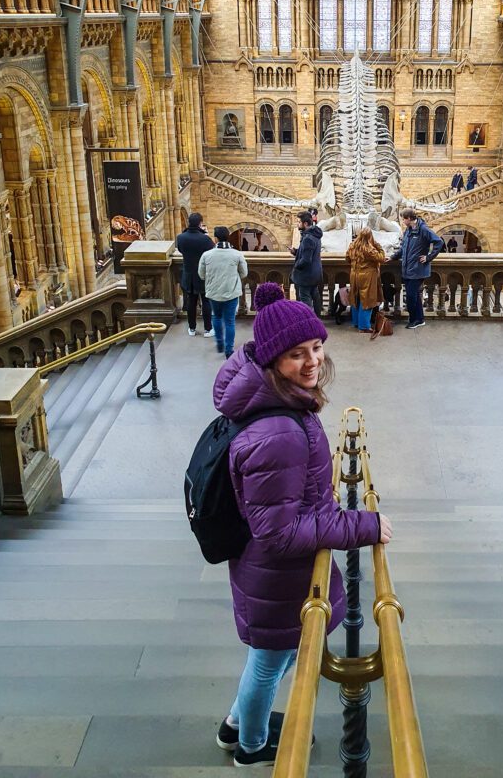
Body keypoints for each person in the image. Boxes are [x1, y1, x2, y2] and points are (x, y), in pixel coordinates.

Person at [212, 283, 391, 767]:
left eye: (316, 347)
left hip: (269, 576)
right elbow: (280, 532)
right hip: (276, 576)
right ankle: (250, 747)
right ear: (272, 361)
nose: (312, 361)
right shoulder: (279, 432)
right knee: (269, 665)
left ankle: (236, 725)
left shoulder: (276, 402)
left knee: (273, 660)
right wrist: (362, 526)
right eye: (296, 354)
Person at [198, 226, 248, 358]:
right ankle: (228, 349)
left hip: (214, 292)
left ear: (215, 238)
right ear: (228, 237)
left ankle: (219, 343)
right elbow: (244, 273)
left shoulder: (206, 255)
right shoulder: (237, 254)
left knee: (216, 316)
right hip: (231, 292)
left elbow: (201, 274)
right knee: (230, 321)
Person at [390, 208, 442, 329]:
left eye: (403, 219)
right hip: (408, 269)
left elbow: (438, 242)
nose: (402, 221)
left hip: (417, 270)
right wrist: (393, 257)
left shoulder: (423, 229)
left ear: (409, 218)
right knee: (414, 296)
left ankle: (413, 320)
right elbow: (403, 249)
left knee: (411, 297)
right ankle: (420, 319)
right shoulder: (408, 230)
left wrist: (429, 257)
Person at [176, 212, 214, 337]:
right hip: (203, 275)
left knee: (191, 302)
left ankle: (192, 328)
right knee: (206, 302)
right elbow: (211, 253)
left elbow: (181, 250)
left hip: (188, 274)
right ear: (200, 223)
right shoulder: (205, 239)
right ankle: (208, 329)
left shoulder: (181, 238)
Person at [346, 227, 387, 333]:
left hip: (354, 275)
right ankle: (364, 326)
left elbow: (347, 259)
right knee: (367, 300)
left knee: (356, 298)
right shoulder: (369, 248)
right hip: (367, 277)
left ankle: (356, 322)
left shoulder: (352, 246)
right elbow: (381, 258)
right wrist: (378, 246)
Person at [290, 211, 323, 316]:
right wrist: (296, 252)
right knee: (315, 296)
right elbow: (309, 253)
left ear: (305, 224)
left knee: (305, 300)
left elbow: (306, 260)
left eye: (299, 222)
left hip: (306, 275)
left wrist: (296, 266)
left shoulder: (307, 238)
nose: (297, 224)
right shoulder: (315, 235)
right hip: (315, 273)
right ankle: (317, 319)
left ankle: (309, 320)